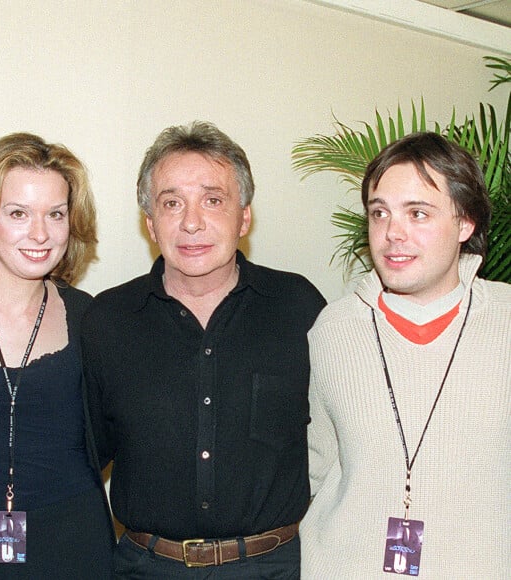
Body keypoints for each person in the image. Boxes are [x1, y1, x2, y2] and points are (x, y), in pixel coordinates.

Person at [81, 121, 326, 579]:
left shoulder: (299, 307)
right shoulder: (108, 319)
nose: (191, 222)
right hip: (146, 567)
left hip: (273, 567)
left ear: (244, 216)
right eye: (172, 203)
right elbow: (80, 459)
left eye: (213, 200)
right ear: (150, 223)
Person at [301, 132, 510, 578]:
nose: (393, 233)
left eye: (417, 213)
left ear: (465, 223)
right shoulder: (333, 331)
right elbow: (314, 467)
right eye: (380, 213)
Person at [0, 133, 115, 579]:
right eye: (18, 213)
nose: (40, 233)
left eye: (55, 214)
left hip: (75, 548)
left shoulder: (91, 318)